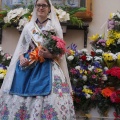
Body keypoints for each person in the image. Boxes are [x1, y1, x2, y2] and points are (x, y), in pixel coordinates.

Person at [0, 0, 76, 119]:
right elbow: (21, 47)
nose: (41, 8)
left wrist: (50, 55)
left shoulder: (54, 27)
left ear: (49, 8)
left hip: (48, 65)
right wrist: (21, 58)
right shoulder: (28, 27)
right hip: (27, 65)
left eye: (44, 5)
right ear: (35, 8)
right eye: (38, 5)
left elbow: (61, 51)